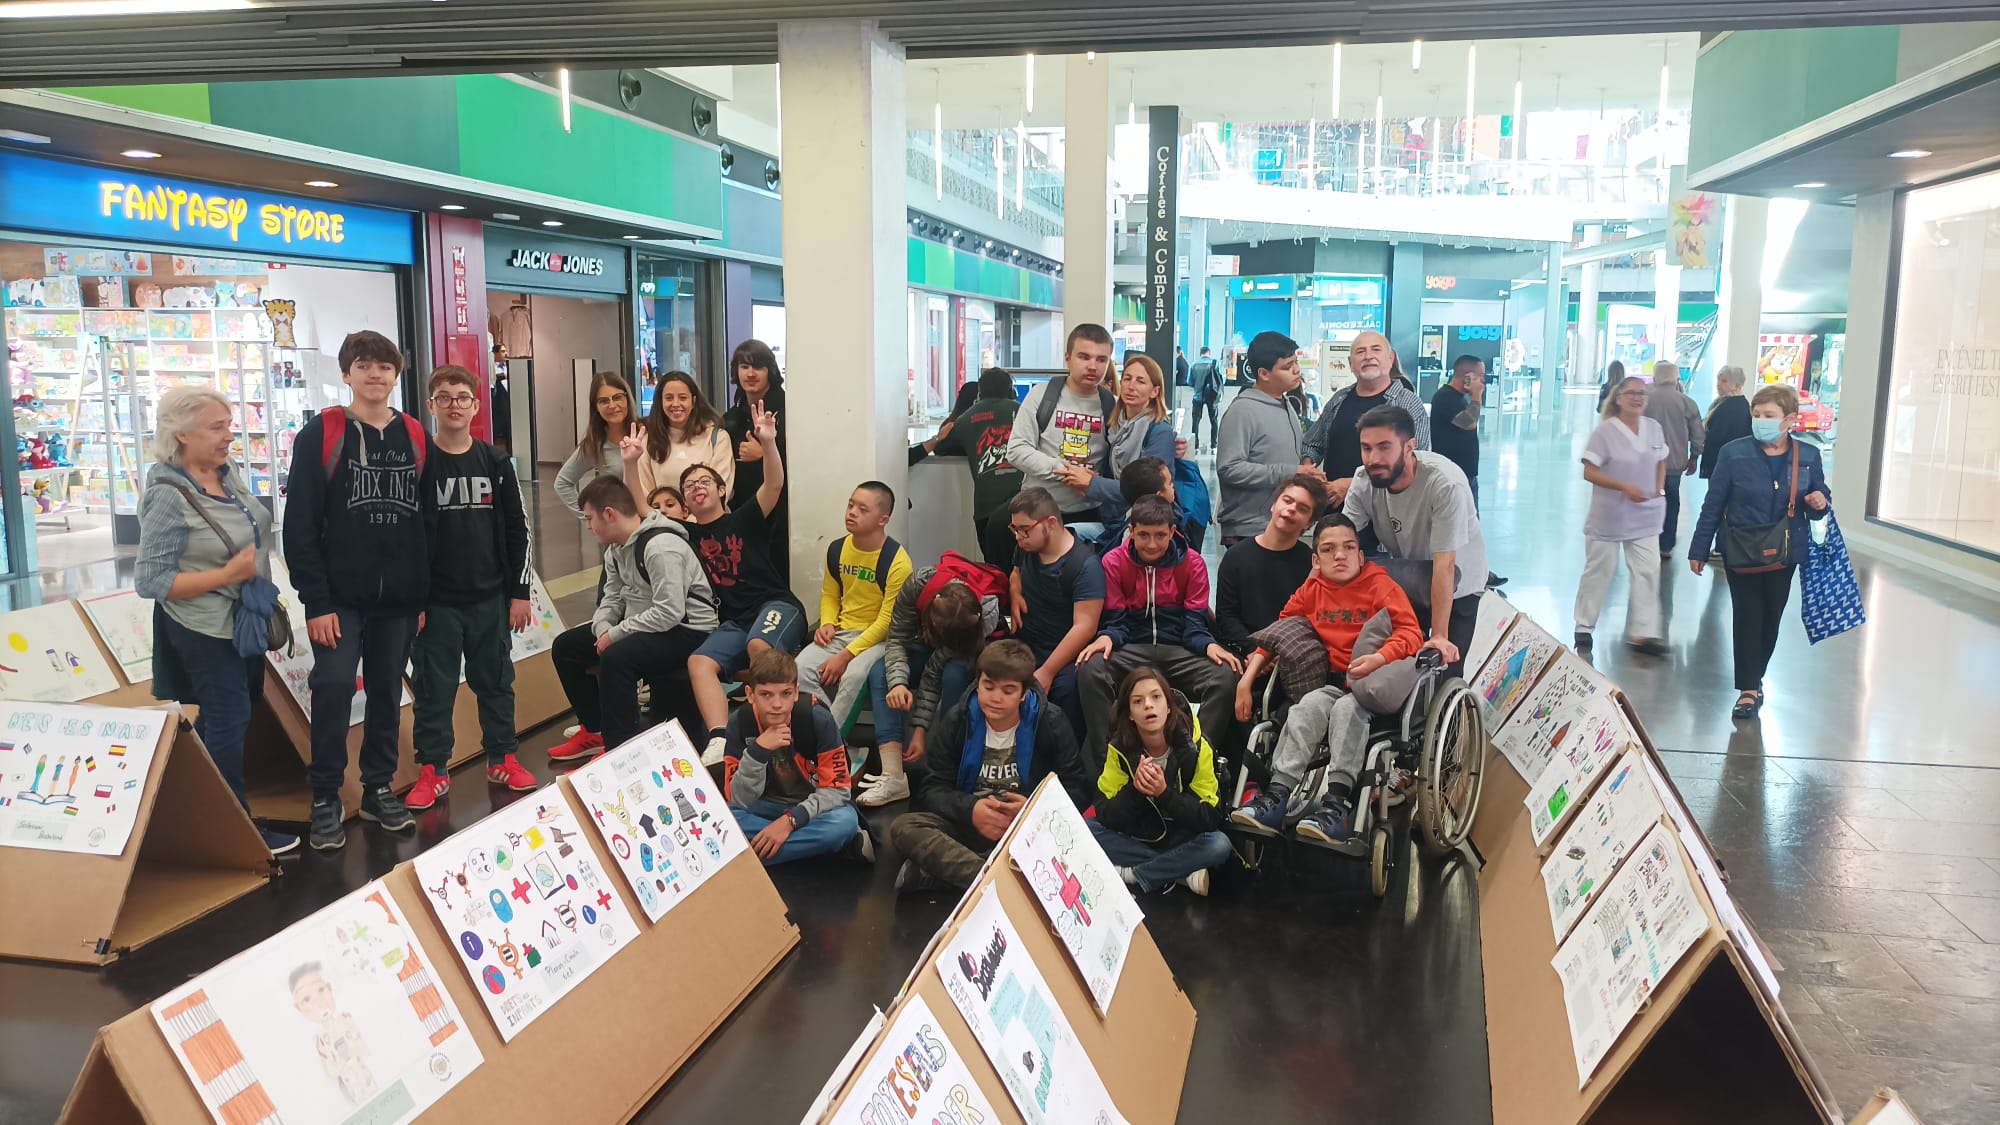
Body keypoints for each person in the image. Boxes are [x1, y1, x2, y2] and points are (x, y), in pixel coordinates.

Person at [136, 387, 298, 856]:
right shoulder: (167, 495)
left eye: (229, 425)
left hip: (241, 619)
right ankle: (236, 831)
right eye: (217, 427)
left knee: (225, 716)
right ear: (182, 434)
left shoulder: (228, 473)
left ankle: (200, 816)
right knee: (229, 717)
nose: (230, 436)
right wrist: (226, 576)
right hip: (201, 625)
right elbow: (151, 580)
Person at [283, 330, 427, 852]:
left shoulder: (414, 434)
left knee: (387, 690)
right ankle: (325, 795)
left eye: (384, 366)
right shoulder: (322, 433)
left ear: (396, 375)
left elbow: (424, 522)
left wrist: (419, 596)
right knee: (335, 685)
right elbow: (299, 525)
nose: (375, 374)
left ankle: (377, 788)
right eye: (364, 365)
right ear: (346, 374)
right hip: (338, 599)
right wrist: (316, 601)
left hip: (399, 600)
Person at [1230, 513, 1425, 852]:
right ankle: (1277, 795)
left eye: (1349, 548)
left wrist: (1379, 658)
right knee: (1307, 706)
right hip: (1333, 682)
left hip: (1375, 687)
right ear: (1316, 560)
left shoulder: (1381, 587)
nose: (1340, 555)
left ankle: (1336, 806)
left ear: (1361, 556)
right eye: (1329, 549)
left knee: (1347, 711)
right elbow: (1279, 632)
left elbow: (1412, 634)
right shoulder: (1313, 591)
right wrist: (1245, 681)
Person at [406, 365, 536, 812]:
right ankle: (433, 769)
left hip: (489, 599)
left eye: (462, 397)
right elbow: (406, 535)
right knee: (433, 689)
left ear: (477, 405)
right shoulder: (419, 464)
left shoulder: (496, 463)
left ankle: (503, 757)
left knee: (496, 682)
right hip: (436, 604)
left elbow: (519, 529)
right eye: (444, 397)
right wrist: (414, 599)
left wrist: (520, 592)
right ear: (431, 406)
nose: (454, 405)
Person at [888, 640, 1090, 892]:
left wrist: (1032, 810)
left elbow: (1077, 790)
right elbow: (931, 788)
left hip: (1027, 829)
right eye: (988, 686)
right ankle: (995, 879)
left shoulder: (1051, 722)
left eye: (1008, 690)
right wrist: (971, 809)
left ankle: (949, 874)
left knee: (1079, 841)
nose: (995, 698)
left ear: (1023, 693)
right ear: (978, 684)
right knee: (903, 827)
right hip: (970, 825)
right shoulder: (958, 719)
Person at [548, 477, 718, 759]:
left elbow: (670, 612)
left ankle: (621, 751)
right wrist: (603, 628)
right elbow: (612, 598)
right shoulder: (615, 549)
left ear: (609, 514)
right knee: (565, 647)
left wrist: (615, 634)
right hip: (647, 623)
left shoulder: (661, 546)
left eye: (589, 518)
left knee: (617, 658)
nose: (588, 526)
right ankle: (594, 730)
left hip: (689, 629)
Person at [1690, 383, 1830, 720]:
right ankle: (1748, 689)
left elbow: (1819, 497)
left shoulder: (1808, 456)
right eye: (1756, 414)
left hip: (1784, 552)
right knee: (1747, 616)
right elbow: (1713, 504)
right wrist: (1699, 547)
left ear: (1790, 419)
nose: (1760, 421)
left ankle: (1756, 675)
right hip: (1740, 548)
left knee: (1771, 618)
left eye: (1769, 415)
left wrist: (1820, 503)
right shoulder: (1733, 453)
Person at [677, 403, 804, 767]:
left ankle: (776, 732)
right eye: (689, 486)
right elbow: (642, 511)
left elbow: (774, 484)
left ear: (722, 490)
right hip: (736, 620)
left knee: (758, 644)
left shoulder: (745, 518)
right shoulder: (685, 534)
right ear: (685, 502)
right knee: (699, 661)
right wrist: (630, 462)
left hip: (777, 606)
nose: (697, 488)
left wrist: (769, 442)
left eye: (704, 482)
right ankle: (719, 738)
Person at [1077, 495, 1241, 764]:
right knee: (1090, 667)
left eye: (1160, 535)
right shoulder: (1113, 562)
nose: (1152, 544)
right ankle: (1111, 758)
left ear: (1172, 531)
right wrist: (1106, 636)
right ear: (1131, 531)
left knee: (1226, 674)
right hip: (1132, 648)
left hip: (1179, 649)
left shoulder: (1192, 563)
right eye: (1144, 535)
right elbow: (1117, 622)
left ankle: (1195, 759)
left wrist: (1209, 644)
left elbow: (1195, 625)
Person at [1343, 405, 1487, 666]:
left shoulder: (1444, 484)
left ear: (1409, 446)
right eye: (1366, 448)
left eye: (1384, 447)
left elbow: (1445, 565)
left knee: (1444, 669)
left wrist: (1440, 636)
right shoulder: (1364, 479)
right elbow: (1339, 540)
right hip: (1411, 577)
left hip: (1457, 582)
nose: (1373, 458)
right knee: (1403, 668)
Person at [860, 563, 997, 807]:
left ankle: (950, 768)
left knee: (954, 674)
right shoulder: (918, 585)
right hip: (922, 645)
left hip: (964, 653)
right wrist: (898, 684)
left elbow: (935, 670)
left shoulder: (984, 615)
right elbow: (897, 639)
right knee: (881, 672)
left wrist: (920, 729)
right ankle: (893, 774)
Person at [1091, 667, 1233, 896]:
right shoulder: (1119, 749)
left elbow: (1210, 816)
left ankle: (1133, 874)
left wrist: (1165, 794)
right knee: (1086, 829)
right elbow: (1105, 812)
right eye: (1138, 701)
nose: (1148, 705)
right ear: (1130, 714)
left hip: (1183, 836)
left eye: (1156, 697)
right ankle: (1180, 872)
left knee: (1219, 844)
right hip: (1140, 834)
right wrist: (1136, 791)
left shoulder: (1197, 746)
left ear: (1169, 706)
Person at [722, 648, 872, 865]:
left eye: (785, 693)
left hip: (812, 809)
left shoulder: (817, 718)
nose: (777, 704)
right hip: (764, 806)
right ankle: (820, 849)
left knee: (844, 822)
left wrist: (790, 821)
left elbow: (837, 791)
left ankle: (750, 858)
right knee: (723, 818)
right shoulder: (740, 723)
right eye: (766, 694)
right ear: (750, 694)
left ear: (796, 692)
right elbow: (737, 799)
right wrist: (757, 751)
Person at [797, 481, 914, 734]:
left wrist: (845, 656)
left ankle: (830, 744)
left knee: (853, 676)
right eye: (851, 505)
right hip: (842, 631)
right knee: (799, 670)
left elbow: (887, 622)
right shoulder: (837, 549)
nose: (852, 513)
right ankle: (828, 735)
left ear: (883, 520)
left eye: (863, 509)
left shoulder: (898, 562)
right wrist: (828, 622)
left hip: (879, 639)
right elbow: (830, 594)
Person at [1576, 376, 1670, 656]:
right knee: (1599, 571)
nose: (1637, 398)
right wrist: (1623, 487)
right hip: (1610, 515)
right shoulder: (1605, 432)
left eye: (1642, 393)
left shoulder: (1654, 428)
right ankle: (1584, 626)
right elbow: (1589, 471)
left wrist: (1659, 490)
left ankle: (1644, 633)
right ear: (1618, 398)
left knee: (1648, 571)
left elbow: (1661, 461)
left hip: (1646, 514)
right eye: (1631, 393)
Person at [1005, 487, 1105, 736]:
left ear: (1050, 523)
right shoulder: (1027, 546)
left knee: (1067, 692)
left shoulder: (1085, 566)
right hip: (1026, 644)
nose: (1018, 537)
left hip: (1063, 654)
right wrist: (1015, 592)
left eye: (1024, 529)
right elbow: (1016, 570)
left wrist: (1047, 671)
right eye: (1014, 529)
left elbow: (1085, 627)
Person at [1304, 330, 1430, 503]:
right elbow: (1312, 443)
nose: (1368, 356)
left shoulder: (1408, 404)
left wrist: (1354, 484)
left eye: (1376, 350)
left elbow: (1418, 462)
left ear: (1391, 359)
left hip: (1385, 509)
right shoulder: (1339, 399)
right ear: (1350, 363)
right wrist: (1309, 468)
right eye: (1360, 351)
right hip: (1334, 508)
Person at [1007, 323, 1115, 525]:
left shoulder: (1112, 405)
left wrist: (1174, 446)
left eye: (1101, 359)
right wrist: (1067, 472)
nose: (1093, 366)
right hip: (1036, 512)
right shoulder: (1042, 395)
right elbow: (1016, 450)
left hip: (1089, 514)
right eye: (1084, 357)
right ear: (1068, 358)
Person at [1216, 330, 1316, 546]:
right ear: (1264, 373)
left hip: (1281, 523)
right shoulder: (1242, 411)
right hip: (1249, 529)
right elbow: (1229, 468)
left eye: (1296, 362)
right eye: (1287, 366)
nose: (1296, 370)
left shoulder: (1286, 404)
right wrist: (1290, 471)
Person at [1214, 475, 1326, 659]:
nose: (1291, 509)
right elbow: (1226, 616)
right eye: (1287, 501)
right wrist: (1252, 651)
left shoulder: (1311, 564)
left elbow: (1312, 618)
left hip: (1291, 652)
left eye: (1302, 509)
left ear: (1309, 523)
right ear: (1274, 504)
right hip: (1245, 651)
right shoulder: (1236, 556)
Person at [930, 367, 1025, 568]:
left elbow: (942, 448)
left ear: (980, 393)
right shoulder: (1024, 412)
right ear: (1011, 391)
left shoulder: (967, 418)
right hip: (1025, 505)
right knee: (1027, 569)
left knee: (995, 570)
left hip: (986, 509)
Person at [1071, 353, 1176, 526]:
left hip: (1140, 523)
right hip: (1110, 517)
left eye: (1140, 381)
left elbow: (1147, 489)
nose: (1131, 386)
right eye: (1127, 378)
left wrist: (1092, 484)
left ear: (1155, 391)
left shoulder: (1160, 431)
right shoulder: (1115, 425)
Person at [720, 339, 790, 579]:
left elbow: (803, 466)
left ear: (770, 371)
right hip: (742, 516)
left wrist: (765, 455)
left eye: (758, 366)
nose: (750, 373)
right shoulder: (731, 418)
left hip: (780, 522)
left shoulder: (788, 412)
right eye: (744, 366)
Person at [622, 369, 734, 505]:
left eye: (683, 398)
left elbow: (721, 490)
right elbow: (644, 495)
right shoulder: (648, 441)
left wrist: (692, 516)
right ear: (660, 402)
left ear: (693, 401)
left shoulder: (718, 438)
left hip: (708, 517)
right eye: (669, 398)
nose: (675, 404)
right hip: (661, 518)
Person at [553, 371, 634, 518]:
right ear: (595, 406)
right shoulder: (595, 444)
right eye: (603, 401)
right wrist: (593, 518)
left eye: (617, 397)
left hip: (652, 523)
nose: (612, 405)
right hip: (619, 528)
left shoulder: (646, 433)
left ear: (627, 398)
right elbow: (562, 483)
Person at [1645, 360, 1705, 558]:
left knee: (1648, 501)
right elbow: (1698, 434)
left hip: (1647, 463)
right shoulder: (1687, 402)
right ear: (1677, 379)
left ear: (1655, 378)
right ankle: (1666, 545)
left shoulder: (1644, 400)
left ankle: (1647, 541)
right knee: (1671, 503)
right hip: (1675, 462)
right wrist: (1694, 456)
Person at [1431, 355, 1485, 509]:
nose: (1483, 381)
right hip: (1454, 475)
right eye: (1480, 375)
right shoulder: (1445, 397)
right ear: (1468, 377)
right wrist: (1477, 395)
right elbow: (1469, 422)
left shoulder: (1460, 398)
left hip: (1466, 473)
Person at [1699, 365, 1753, 480]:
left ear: (1737, 385)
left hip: (1723, 462)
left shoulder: (1731, 405)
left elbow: (1718, 435)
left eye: (1724, 381)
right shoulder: (1734, 402)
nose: (1718, 384)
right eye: (1718, 380)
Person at [1188, 346, 1224, 452]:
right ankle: (1213, 446)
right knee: (1214, 421)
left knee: (1195, 422)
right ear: (1209, 353)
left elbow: (1189, 381)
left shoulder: (1194, 364)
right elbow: (1222, 380)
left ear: (1200, 353)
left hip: (1197, 397)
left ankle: (1195, 446)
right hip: (1212, 397)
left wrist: (1198, 386)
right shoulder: (1215, 363)